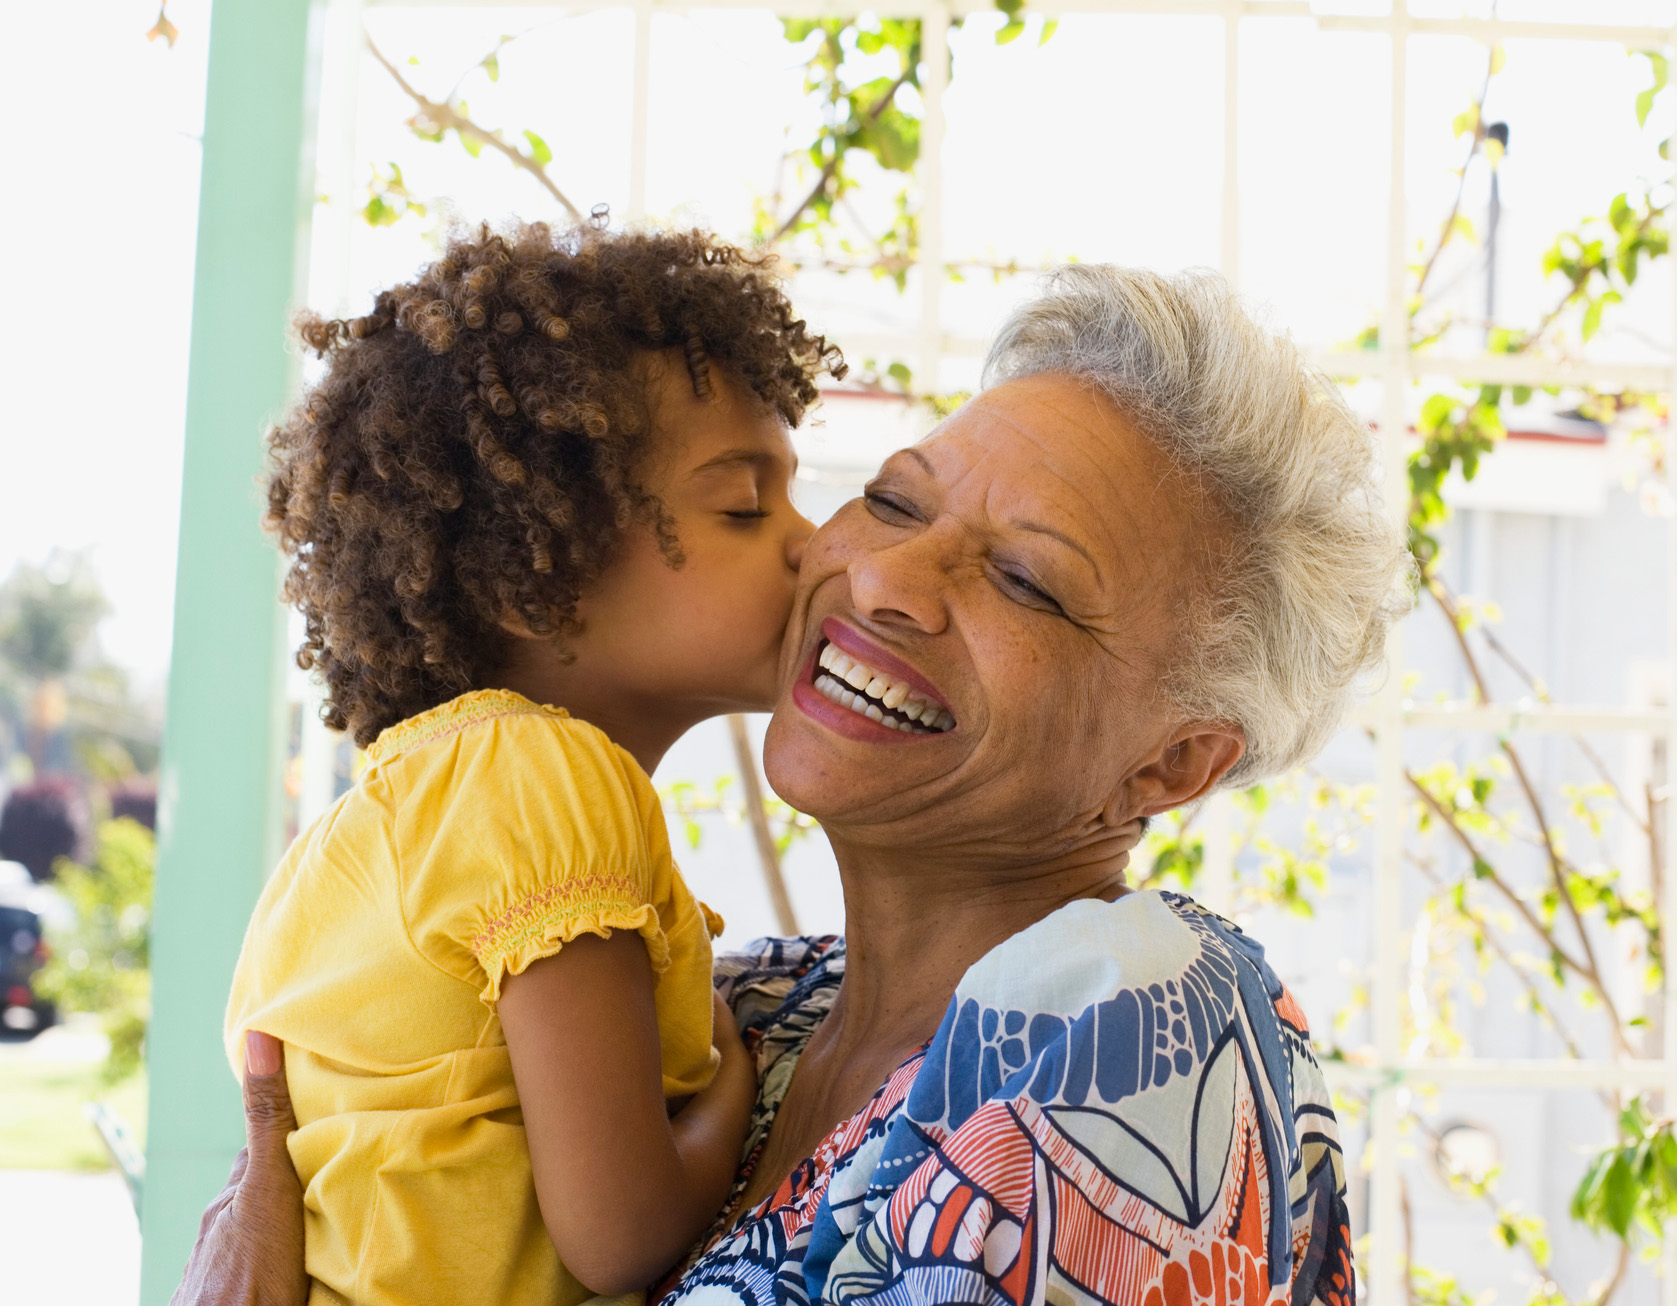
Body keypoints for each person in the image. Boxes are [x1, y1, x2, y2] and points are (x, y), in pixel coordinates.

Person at [177, 261, 1407, 1306]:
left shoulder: (1126, 1039)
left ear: (1173, 760)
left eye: (1026, 580)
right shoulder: (753, 1005)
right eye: (891, 500)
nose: (879, 578)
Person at [222, 220, 847, 1306]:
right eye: (744, 505)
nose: (811, 540)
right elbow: (620, 1236)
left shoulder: (400, 812)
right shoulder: (548, 777)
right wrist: (743, 1100)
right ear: (536, 578)